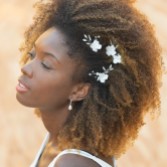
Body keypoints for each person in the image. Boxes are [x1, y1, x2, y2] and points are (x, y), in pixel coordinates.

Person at [16, 0, 162, 166]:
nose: (26, 68)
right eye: (32, 54)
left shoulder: (74, 163)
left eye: (46, 64)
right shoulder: (60, 137)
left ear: (79, 90)